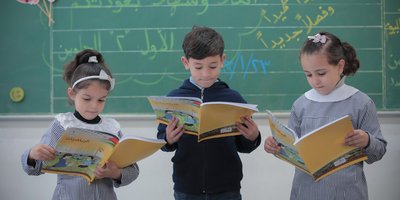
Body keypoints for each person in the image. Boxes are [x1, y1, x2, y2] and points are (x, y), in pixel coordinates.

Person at [264, 32, 387, 200]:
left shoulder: (361, 103)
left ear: (340, 66)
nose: (315, 80)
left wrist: (366, 140)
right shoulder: (301, 105)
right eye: (308, 74)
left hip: (347, 193)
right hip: (306, 192)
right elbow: (291, 147)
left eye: (321, 73)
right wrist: (276, 147)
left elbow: (378, 152)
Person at [156, 26, 261, 200]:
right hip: (187, 188)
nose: (205, 74)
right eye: (198, 67)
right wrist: (168, 138)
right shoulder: (174, 100)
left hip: (227, 189)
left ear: (222, 60)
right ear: (186, 62)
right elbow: (163, 142)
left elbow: (244, 146)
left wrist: (253, 136)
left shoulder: (233, 98)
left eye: (212, 66)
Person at [21, 49, 139, 200]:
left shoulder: (112, 129)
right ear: (72, 94)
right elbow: (34, 168)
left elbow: (133, 170)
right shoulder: (62, 125)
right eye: (87, 99)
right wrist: (31, 155)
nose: (94, 106)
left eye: (101, 100)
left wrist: (114, 173)